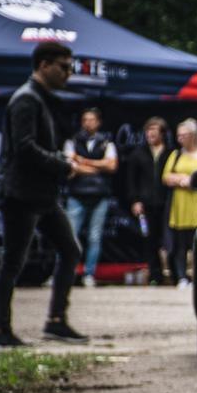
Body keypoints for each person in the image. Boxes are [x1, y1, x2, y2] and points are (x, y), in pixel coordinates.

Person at [0, 41, 93, 347]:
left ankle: (56, 321)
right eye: (64, 67)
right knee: (13, 261)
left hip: (40, 194)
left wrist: (60, 161)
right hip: (20, 194)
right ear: (44, 65)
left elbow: (36, 147)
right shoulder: (26, 99)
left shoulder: (39, 98)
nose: (68, 73)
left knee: (70, 250)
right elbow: (24, 148)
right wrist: (63, 165)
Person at [63, 107, 118, 287]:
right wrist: (97, 167)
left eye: (91, 119)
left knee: (95, 237)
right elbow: (70, 167)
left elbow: (112, 166)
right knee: (70, 236)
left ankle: (89, 274)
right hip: (76, 194)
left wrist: (83, 161)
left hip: (99, 195)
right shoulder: (72, 141)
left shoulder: (106, 143)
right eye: (85, 119)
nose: (88, 123)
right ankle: (65, 273)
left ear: (98, 122)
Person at [161, 119, 197, 287]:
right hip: (179, 207)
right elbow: (166, 176)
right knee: (179, 245)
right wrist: (181, 179)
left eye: (184, 135)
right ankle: (181, 277)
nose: (180, 138)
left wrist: (191, 181)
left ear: (193, 135)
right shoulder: (176, 155)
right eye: (178, 135)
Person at [125, 117, 170, 284]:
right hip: (146, 203)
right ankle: (155, 274)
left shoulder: (171, 152)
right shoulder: (138, 153)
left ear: (162, 133)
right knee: (150, 239)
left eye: (154, 131)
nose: (150, 134)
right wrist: (135, 200)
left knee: (167, 238)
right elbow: (131, 180)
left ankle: (172, 271)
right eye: (148, 131)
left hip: (166, 202)